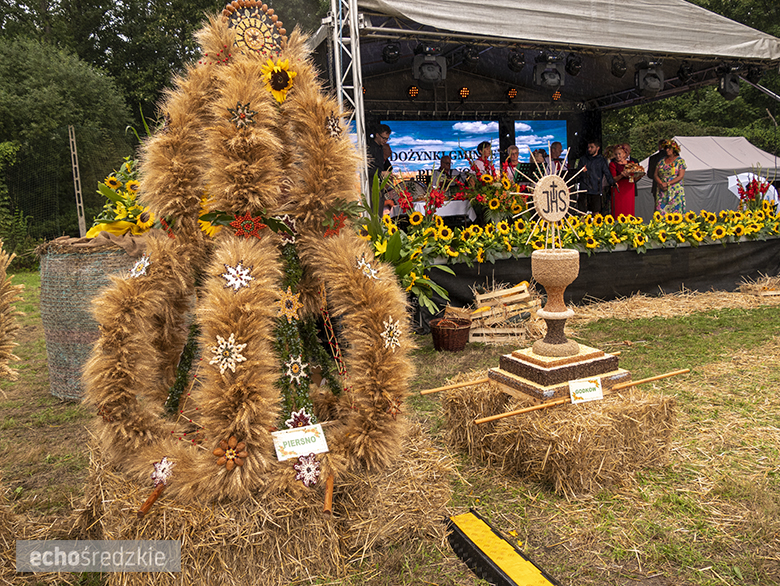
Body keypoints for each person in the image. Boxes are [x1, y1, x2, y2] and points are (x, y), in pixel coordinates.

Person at [575, 140, 615, 215]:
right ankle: (581, 225)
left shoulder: (602, 160)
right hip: (584, 189)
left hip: (595, 189)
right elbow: (577, 174)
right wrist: (582, 171)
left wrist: (613, 183)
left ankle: (595, 226)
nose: (589, 149)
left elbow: (607, 173)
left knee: (596, 211)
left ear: (598, 148)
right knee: (582, 212)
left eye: (592, 147)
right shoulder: (583, 159)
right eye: (588, 147)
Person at [654, 139, 686, 213]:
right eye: (666, 148)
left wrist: (668, 184)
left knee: (675, 214)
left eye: (669, 148)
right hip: (662, 189)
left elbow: (680, 176)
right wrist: (661, 183)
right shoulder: (661, 161)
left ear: (674, 149)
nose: (667, 150)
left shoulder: (680, 161)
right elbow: (655, 174)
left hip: (675, 190)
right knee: (661, 213)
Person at [609, 145, 635, 216]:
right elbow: (614, 178)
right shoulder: (612, 164)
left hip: (629, 188)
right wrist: (621, 175)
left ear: (624, 154)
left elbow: (634, 175)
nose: (617, 156)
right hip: (619, 188)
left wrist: (639, 175)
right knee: (619, 208)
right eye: (616, 154)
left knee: (629, 208)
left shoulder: (631, 163)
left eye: (619, 154)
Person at [646, 140, 666, 204]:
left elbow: (650, 174)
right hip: (671, 185)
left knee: (658, 207)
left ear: (659, 146)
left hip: (656, 186)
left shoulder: (653, 158)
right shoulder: (674, 158)